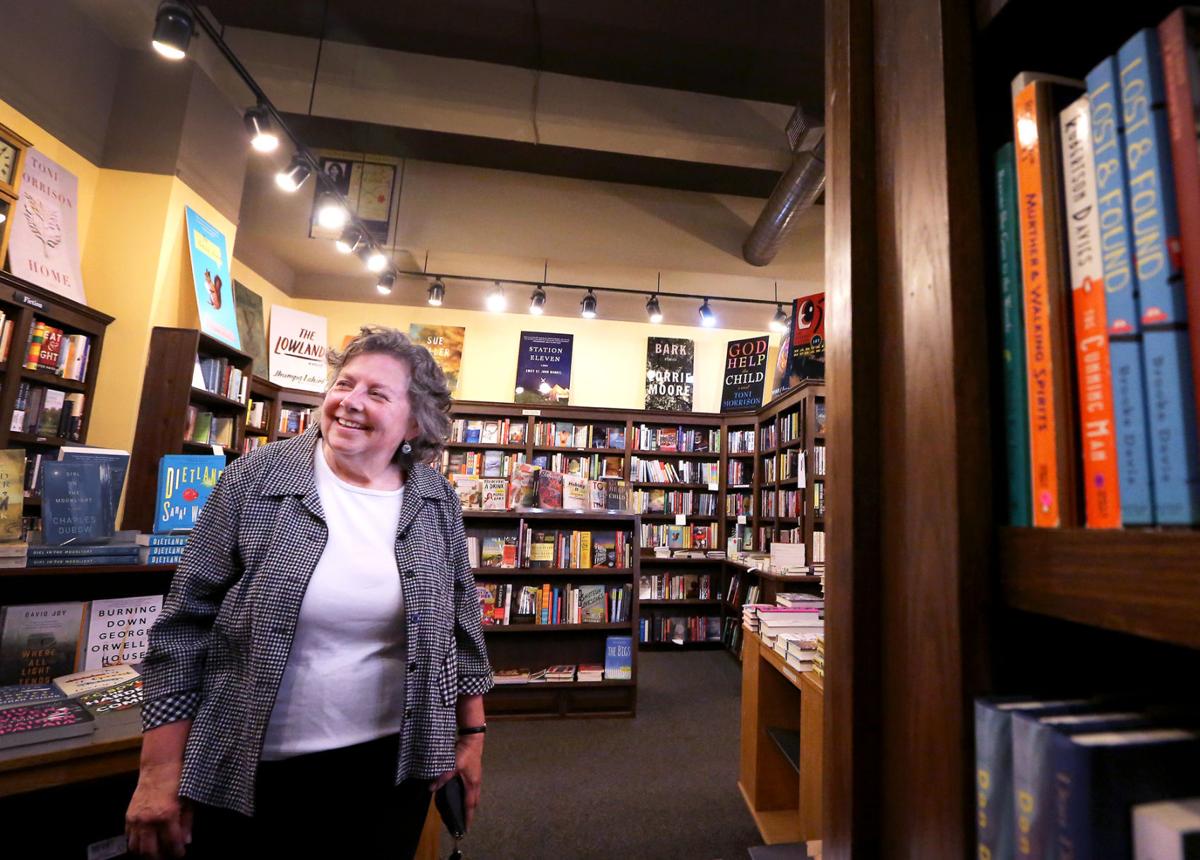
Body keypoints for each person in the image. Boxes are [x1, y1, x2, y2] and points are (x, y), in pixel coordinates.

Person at [125, 326, 493, 859]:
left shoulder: (434, 498)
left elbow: (461, 629)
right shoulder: (253, 480)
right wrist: (158, 770)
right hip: (255, 764)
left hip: (397, 765)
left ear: (415, 421)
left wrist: (472, 736)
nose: (350, 402)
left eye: (377, 393)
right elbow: (183, 627)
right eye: (345, 383)